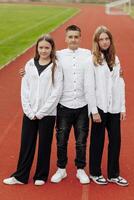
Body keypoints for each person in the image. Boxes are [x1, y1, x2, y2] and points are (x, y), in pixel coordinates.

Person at [3, 34, 63, 186]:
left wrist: (42, 112)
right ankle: (20, 176)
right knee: (26, 144)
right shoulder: (30, 64)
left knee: (44, 144)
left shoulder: (56, 66)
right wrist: (28, 111)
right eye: (41, 47)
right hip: (29, 112)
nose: (43, 50)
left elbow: (57, 92)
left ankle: (41, 176)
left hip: (47, 114)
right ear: (37, 48)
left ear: (52, 49)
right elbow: (25, 89)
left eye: (47, 48)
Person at [51, 25, 97, 184]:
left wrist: (118, 71)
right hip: (64, 105)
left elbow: (101, 66)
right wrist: (26, 70)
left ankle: (80, 169)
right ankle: (61, 169)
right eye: (70, 37)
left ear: (80, 38)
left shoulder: (87, 54)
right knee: (61, 139)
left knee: (81, 141)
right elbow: (40, 60)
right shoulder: (58, 55)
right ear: (65, 38)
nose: (73, 39)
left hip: (82, 105)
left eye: (76, 36)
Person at [89, 26, 128, 186]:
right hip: (99, 107)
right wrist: (93, 111)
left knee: (116, 140)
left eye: (107, 39)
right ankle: (94, 172)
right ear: (97, 42)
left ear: (110, 40)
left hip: (114, 107)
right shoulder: (92, 60)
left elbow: (120, 83)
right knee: (97, 141)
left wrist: (123, 107)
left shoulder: (115, 58)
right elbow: (90, 87)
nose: (104, 42)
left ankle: (113, 174)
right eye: (101, 39)